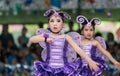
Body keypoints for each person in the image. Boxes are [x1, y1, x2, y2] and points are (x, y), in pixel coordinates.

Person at [29, 9, 99, 76]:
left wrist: (90, 61)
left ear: (63, 25)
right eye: (52, 21)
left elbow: (78, 49)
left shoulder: (66, 37)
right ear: (49, 24)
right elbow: (32, 39)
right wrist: (45, 39)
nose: (55, 24)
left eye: (58, 21)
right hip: (48, 69)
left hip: (63, 69)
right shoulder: (46, 35)